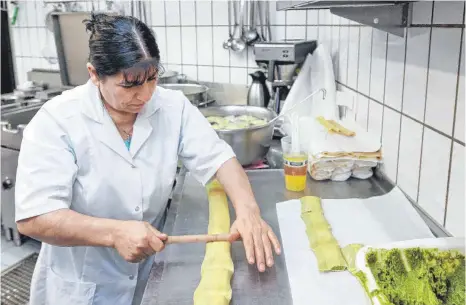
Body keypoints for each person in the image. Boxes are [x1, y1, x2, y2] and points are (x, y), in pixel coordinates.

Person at [15, 13, 281, 305]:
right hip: (83, 284)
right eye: (129, 85)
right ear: (94, 74)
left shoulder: (171, 106)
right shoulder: (57, 121)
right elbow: (35, 218)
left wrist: (248, 211)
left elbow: (218, 158)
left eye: (152, 78)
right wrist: (115, 233)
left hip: (148, 274)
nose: (144, 94)